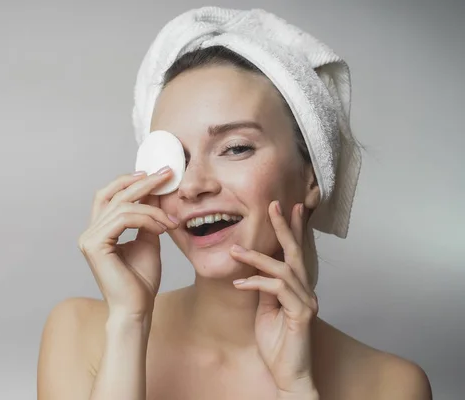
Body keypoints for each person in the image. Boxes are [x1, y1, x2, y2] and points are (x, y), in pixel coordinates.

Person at [37, 7, 432, 400]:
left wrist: (295, 388)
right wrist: (129, 323)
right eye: (174, 160)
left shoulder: (391, 386)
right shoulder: (81, 333)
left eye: (236, 148)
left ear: (312, 174)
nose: (191, 186)